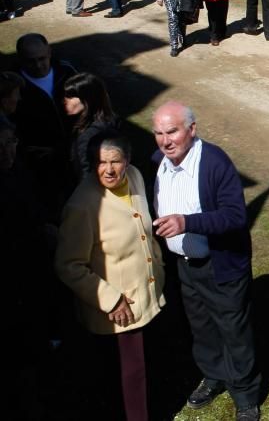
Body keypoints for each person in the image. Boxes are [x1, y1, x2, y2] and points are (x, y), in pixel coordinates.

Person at [150, 101, 261, 421]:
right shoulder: (159, 160)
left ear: (192, 130)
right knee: (201, 327)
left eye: (172, 131)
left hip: (221, 265)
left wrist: (187, 223)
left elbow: (235, 216)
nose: (164, 140)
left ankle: (245, 395)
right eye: (158, 133)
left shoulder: (214, 162)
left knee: (233, 330)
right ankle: (214, 376)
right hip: (186, 264)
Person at [54, 134, 165, 421]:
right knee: (126, 381)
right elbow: (69, 265)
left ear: (127, 161)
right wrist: (112, 300)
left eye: (115, 161)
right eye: (101, 163)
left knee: (144, 371)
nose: (109, 169)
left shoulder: (136, 177)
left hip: (146, 298)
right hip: (118, 314)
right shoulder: (83, 205)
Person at [14, 33, 76, 219]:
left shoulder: (67, 71)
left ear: (50, 51)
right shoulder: (12, 84)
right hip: (40, 163)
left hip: (74, 154)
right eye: (30, 61)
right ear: (20, 59)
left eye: (42, 58)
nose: (38, 65)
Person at [63, 72, 120, 181]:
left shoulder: (92, 135)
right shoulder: (96, 122)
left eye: (70, 96)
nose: (64, 101)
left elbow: (86, 173)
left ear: (87, 100)